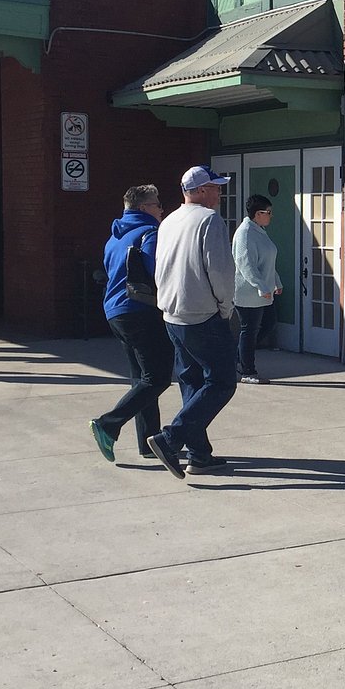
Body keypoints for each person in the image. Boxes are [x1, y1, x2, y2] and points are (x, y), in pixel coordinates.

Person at [147, 165, 238, 479]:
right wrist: (226, 309)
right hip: (202, 314)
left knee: (192, 382)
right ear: (200, 191)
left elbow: (160, 266)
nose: (219, 191)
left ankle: (198, 455)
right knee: (223, 381)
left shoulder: (170, 220)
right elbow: (221, 272)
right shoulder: (209, 220)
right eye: (215, 186)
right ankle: (170, 438)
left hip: (173, 313)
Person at [88, 185, 174, 463]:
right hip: (141, 312)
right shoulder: (151, 233)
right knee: (157, 378)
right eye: (158, 205)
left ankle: (148, 443)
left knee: (142, 378)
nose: (162, 209)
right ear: (144, 208)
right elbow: (156, 271)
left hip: (116, 312)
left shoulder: (114, 237)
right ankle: (108, 424)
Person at [233, 194, 282, 385]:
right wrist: (261, 286)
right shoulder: (245, 233)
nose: (270, 216)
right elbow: (246, 265)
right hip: (248, 293)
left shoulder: (260, 231)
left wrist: (276, 282)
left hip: (265, 292)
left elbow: (269, 261)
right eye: (268, 213)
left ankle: (239, 357)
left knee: (268, 324)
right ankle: (247, 371)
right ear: (257, 214)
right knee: (249, 330)